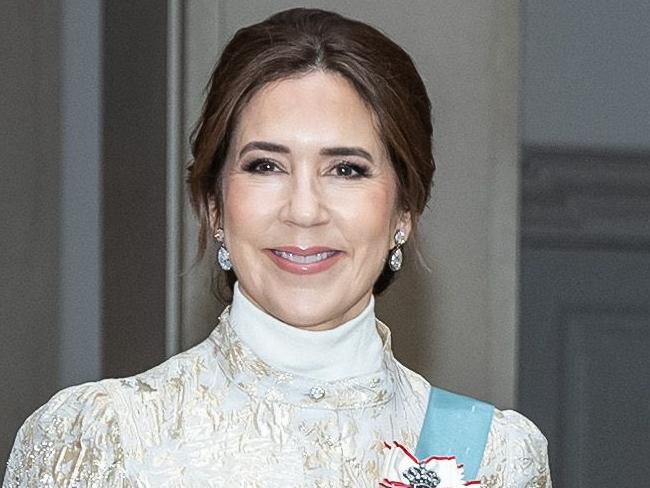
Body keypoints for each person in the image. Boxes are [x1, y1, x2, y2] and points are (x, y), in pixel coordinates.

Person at [4, 8, 551, 487]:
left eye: (346, 169)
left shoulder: (493, 457)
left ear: (404, 210)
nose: (304, 209)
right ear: (215, 205)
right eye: (266, 166)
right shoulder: (98, 441)